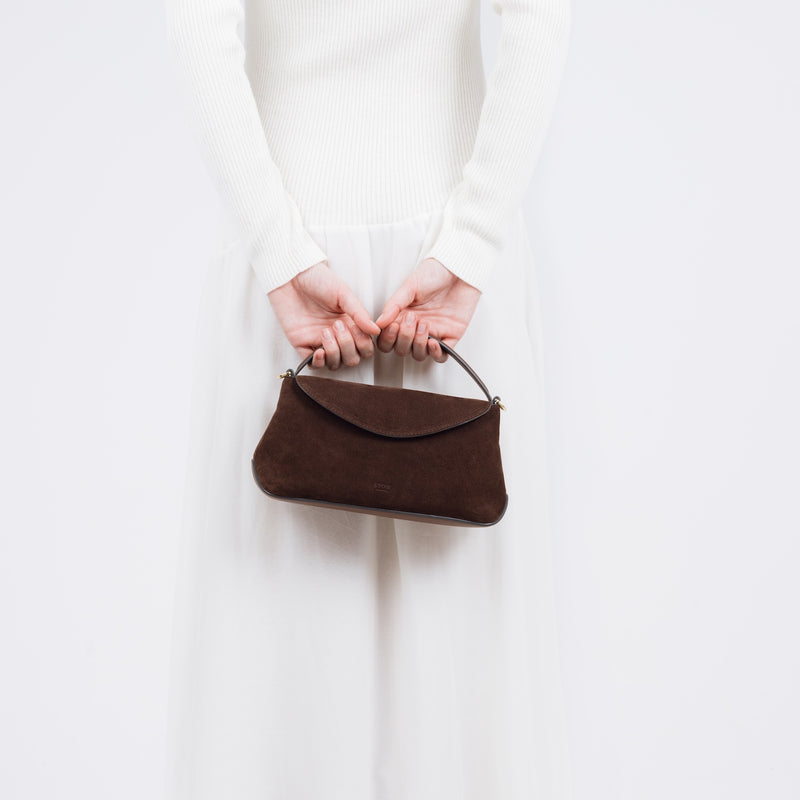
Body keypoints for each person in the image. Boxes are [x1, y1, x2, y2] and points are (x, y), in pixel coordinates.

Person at [163, 0, 573, 797]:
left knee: (270, 648)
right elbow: (541, 20)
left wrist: (278, 253)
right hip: (453, 268)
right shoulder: (466, 252)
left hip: (283, 256)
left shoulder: (279, 261)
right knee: (470, 652)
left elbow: (193, 28)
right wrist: (474, 235)